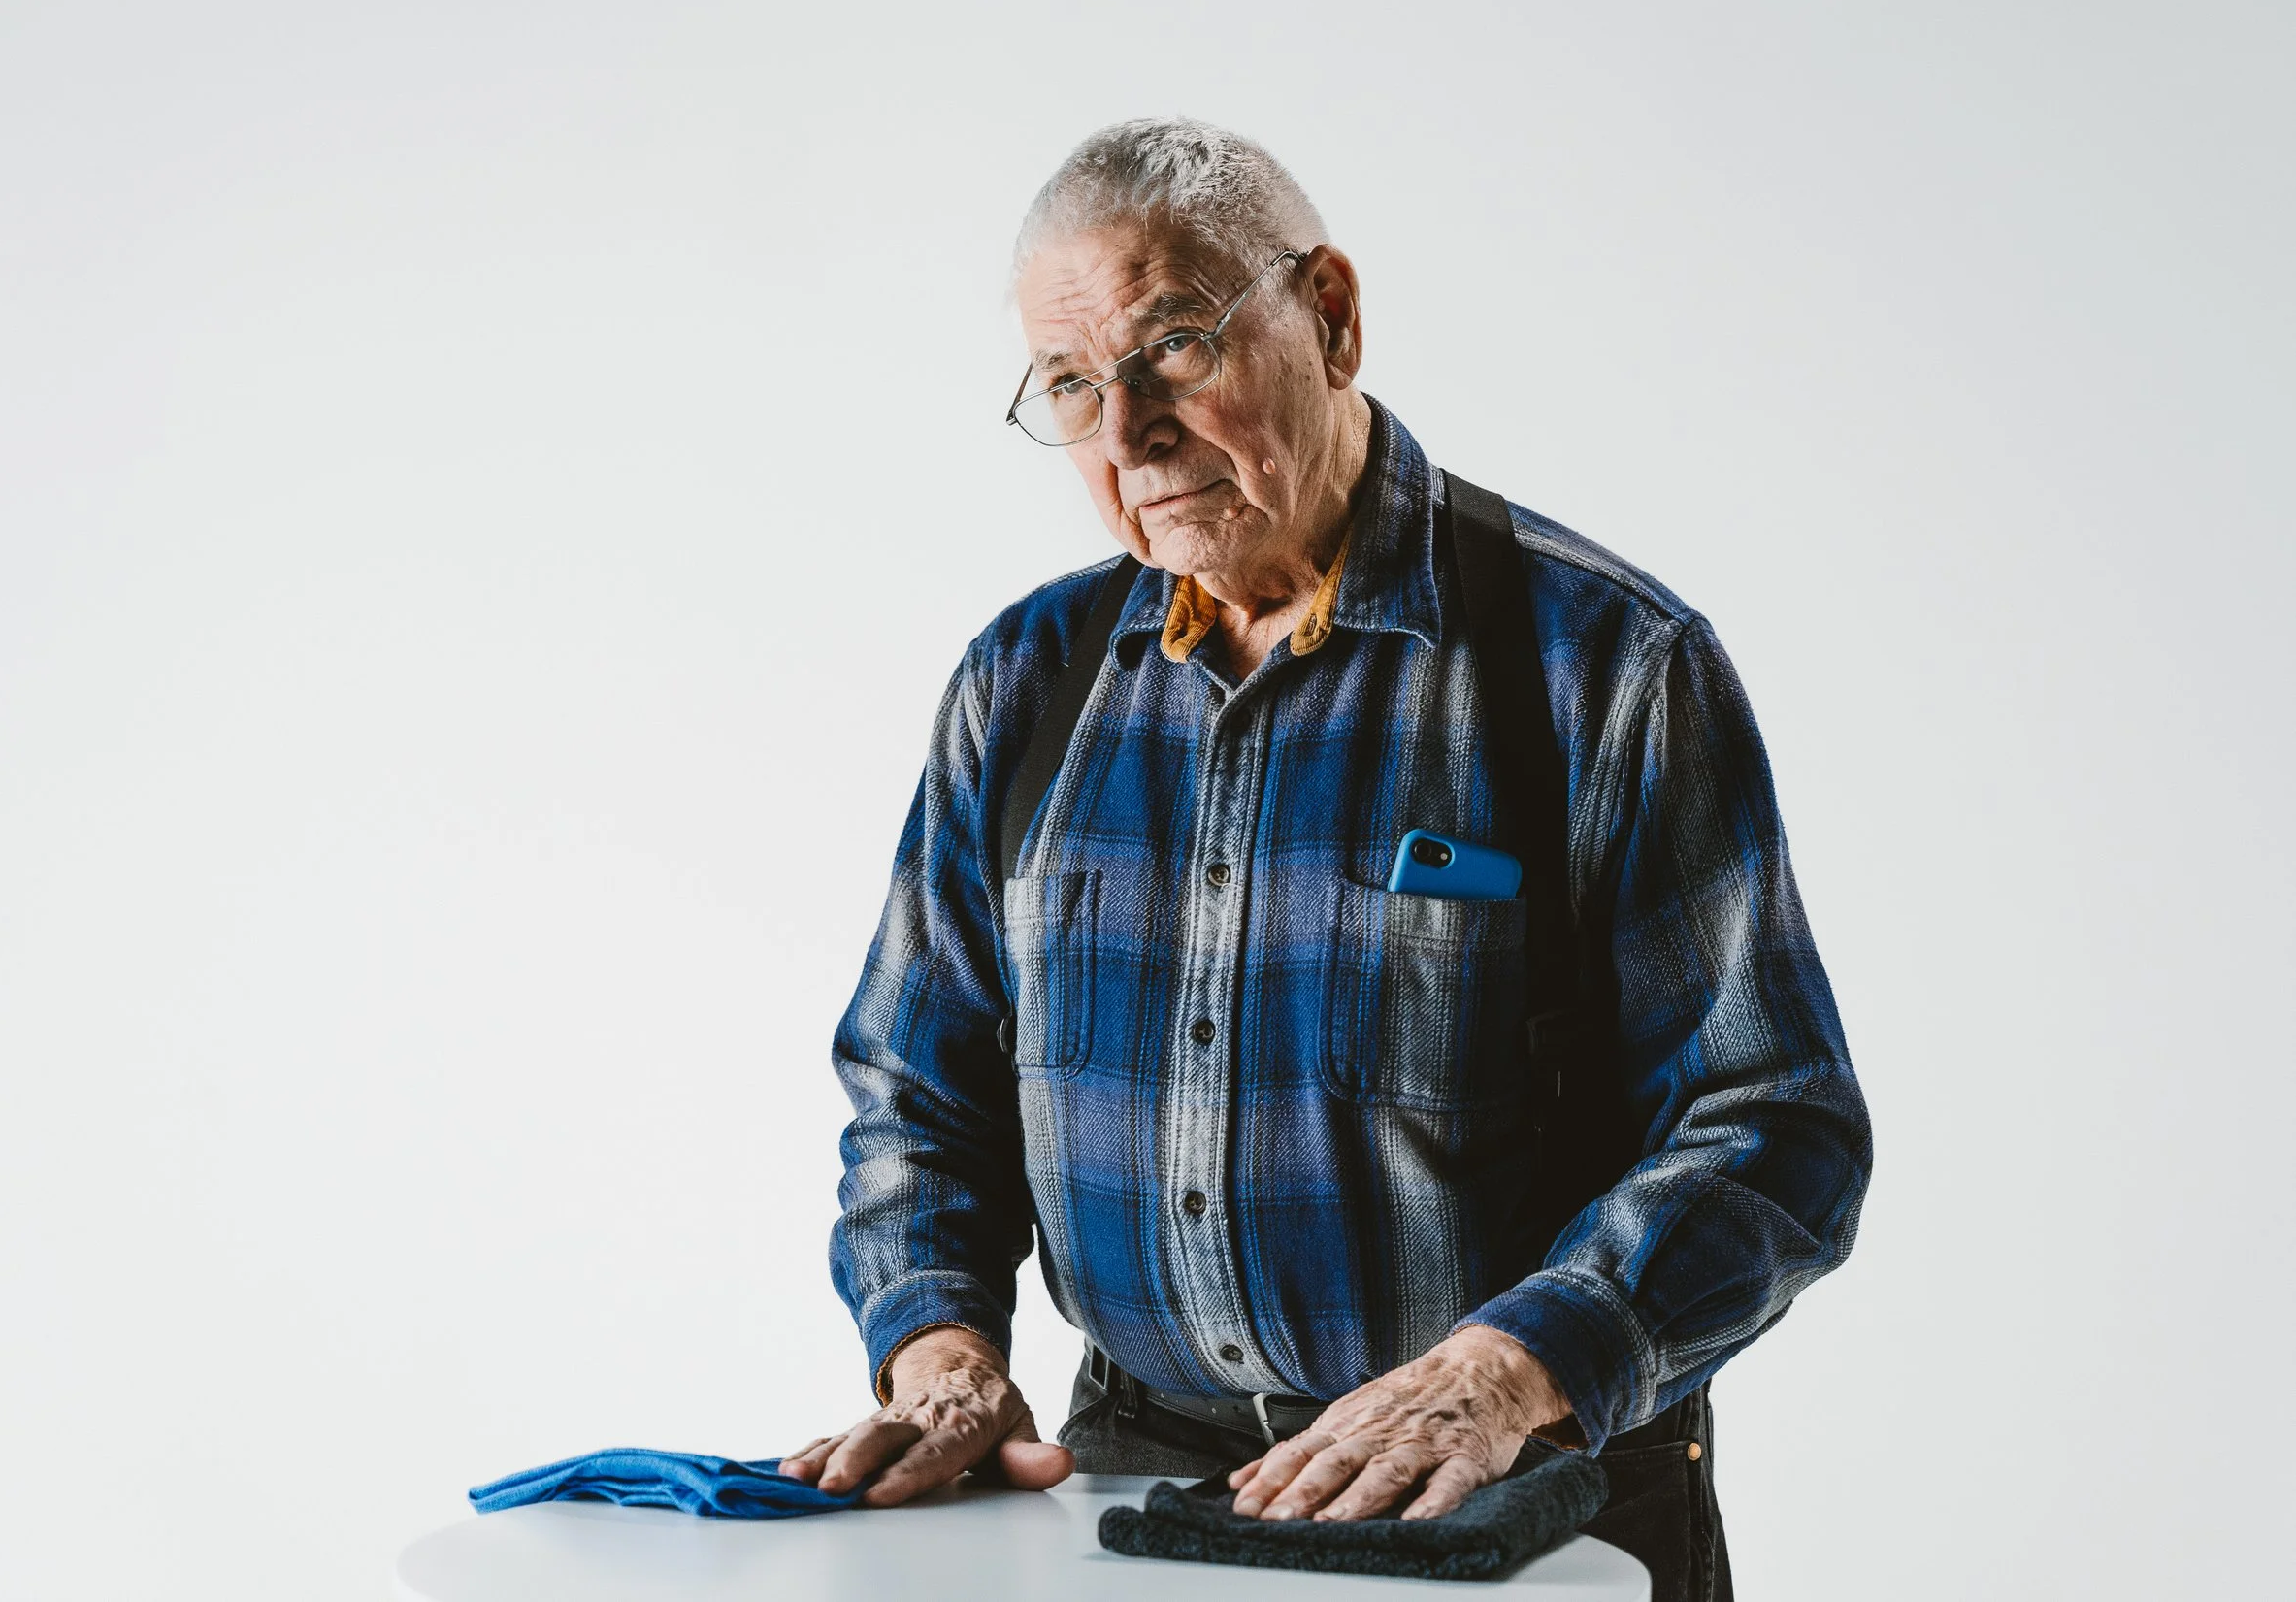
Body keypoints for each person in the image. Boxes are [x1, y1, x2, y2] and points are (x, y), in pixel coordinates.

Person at [780, 118, 1871, 1601]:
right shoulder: (1022, 686)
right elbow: (919, 1092)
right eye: (1073, 386)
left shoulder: (1606, 668)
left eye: (1173, 345)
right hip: (1135, 1496)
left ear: (1334, 317)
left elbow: (1777, 1123)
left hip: (1523, 1501)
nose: (1130, 431)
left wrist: (1503, 1373)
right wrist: (942, 1353)